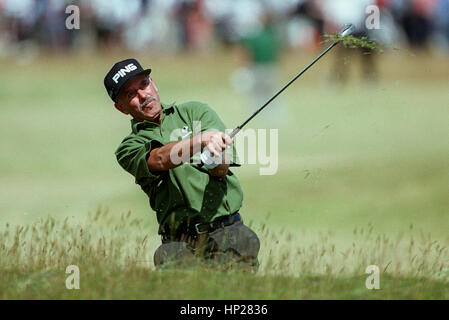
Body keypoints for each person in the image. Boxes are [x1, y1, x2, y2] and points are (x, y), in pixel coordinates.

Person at [104, 58, 260, 271]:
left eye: (144, 84)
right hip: (179, 246)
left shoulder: (195, 112)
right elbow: (159, 159)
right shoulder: (128, 148)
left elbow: (222, 169)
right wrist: (200, 141)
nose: (143, 95)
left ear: (153, 84)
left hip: (228, 233)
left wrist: (215, 156)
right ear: (121, 108)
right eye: (130, 94)